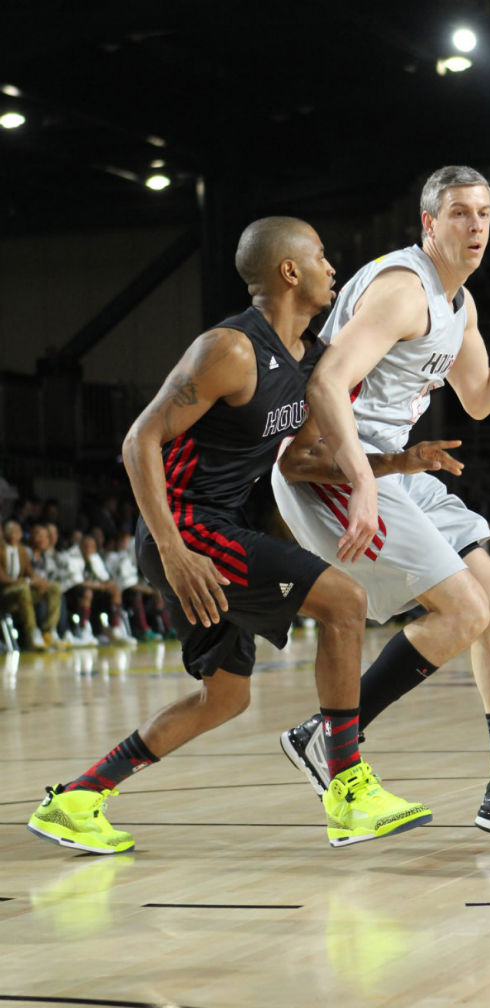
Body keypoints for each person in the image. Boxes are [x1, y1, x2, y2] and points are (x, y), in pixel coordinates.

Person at [27, 215, 432, 855]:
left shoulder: (313, 362)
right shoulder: (231, 350)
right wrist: (171, 548)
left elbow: (299, 463)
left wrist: (393, 465)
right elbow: (140, 441)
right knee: (345, 602)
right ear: (289, 271)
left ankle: (79, 799)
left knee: (225, 698)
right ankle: (348, 787)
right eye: (322, 256)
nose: (334, 267)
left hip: (217, 530)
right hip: (184, 530)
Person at [273, 165, 490, 843]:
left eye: (484, 213)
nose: (475, 226)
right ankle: (328, 737)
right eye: (460, 213)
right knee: (464, 610)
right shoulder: (403, 291)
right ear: (428, 224)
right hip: (331, 465)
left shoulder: (456, 302)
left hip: (397, 466)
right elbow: (325, 383)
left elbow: (480, 394)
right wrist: (360, 480)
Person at [0, 519, 62, 650]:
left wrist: (38, 582)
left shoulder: (22, 551)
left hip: (23, 590)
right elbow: (3, 578)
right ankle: (32, 632)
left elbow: (29, 572)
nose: (14, 534)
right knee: (24, 588)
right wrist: (27, 581)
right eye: (11, 531)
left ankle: (49, 630)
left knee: (54, 587)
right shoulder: (1, 550)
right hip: (5, 593)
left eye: (17, 531)